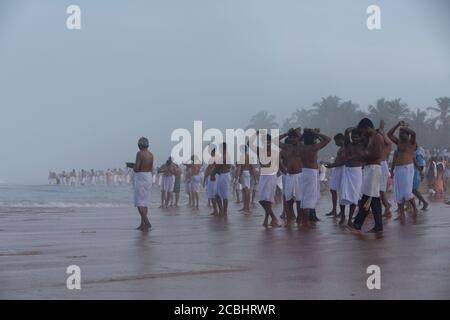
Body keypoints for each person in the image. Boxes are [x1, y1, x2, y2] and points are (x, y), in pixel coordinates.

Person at [351, 118, 384, 233]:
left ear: (367, 128)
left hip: (374, 169)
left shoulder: (377, 137)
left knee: (368, 197)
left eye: (363, 131)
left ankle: (358, 223)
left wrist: (363, 156)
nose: (362, 133)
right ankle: (378, 225)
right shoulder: (371, 138)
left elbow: (377, 154)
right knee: (373, 198)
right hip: (370, 169)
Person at [297, 128, 331, 228]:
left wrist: (305, 134)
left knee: (304, 197)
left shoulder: (301, 147)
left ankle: (304, 221)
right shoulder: (313, 148)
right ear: (313, 139)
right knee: (308, 198)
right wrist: (316, 133)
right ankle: (305, 222)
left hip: (303, 172)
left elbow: (299, 141)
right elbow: (328, 139)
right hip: (311, 173)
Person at [249, 130, 281, 227]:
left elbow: (278, 165)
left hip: (271, 176)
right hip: (263, 176)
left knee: (267, 200)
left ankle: (270, 219)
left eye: (267, 141)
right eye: (263, 141)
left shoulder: (275, 152)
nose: (265, 143)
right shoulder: (260, 151)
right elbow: (249, 143)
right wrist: (256, 134)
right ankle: (272, 218)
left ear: (270, 142)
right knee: (262, 200)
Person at [387, 121, 418, 217]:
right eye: (399, 133)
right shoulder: (398, 142)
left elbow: (413, 133)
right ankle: (401, 214)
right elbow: (389, 134)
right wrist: (397, 125)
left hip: (407, 168)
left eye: (402, 133)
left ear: (407, 134)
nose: (400, 134)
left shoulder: (412, 142)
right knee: (398, 193)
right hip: (398, 169)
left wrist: (404, 127)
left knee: (407, 192)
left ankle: (415, 208)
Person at [338, 128, 364, 226]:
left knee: (354, 196)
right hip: (347, 171)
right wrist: (352, 129)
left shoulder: (362, 145)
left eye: (356, 137)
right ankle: (343, 216)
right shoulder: (348, 144)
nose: (354, 139)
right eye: (353, 137)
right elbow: (346, 133)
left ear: (360, 137)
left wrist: (360, 130)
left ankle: (349, 219)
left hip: (357, 172)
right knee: (343, 194)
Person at [279, 128, 303, 226]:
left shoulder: (301, 147)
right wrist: (286, 133)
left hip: (299, 175)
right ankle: (289, 218)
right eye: (291, 138)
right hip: (289, 176)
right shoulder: (286, 147)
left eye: (294, 138)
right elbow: (275, 141)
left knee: (299, 200)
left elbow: (302, 139)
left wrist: (297, 135)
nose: (292, 140)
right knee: (288, 199)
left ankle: (299, 219)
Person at [133, 137, 154, 232]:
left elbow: (137, 168)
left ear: (140, 145)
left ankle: (147, 222)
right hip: (148, 176)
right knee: (144, 202)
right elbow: (151, 167)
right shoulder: (151, 154)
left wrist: (132, 166)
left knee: (139, 202)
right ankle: (143, 224)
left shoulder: (140, 153)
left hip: (141, 177)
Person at [325, 133, 345, 217]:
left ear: (341, 140)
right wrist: (332, 164)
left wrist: (332, 165)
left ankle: (341, 212)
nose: (335, 143)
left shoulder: (345, 148)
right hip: (337, 169)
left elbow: (343, 162)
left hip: (342, 169)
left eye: (336, 141)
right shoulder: (341, 148)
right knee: (333, 190)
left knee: (341, 191)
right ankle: (334, 210)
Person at [377, 120, 393, 217]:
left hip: (382, 166)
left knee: (381, 190)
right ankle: (387, 205)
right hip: (376, 166)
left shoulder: (387, 145)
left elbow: (387, 141)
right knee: (376, 190)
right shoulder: (378, 145)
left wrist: (381, 130)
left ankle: (387, 210)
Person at [211, 142, 232, 216]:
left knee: (220, 195)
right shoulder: (227, 155)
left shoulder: (224, 156)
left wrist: (212, 174)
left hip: (224, 176)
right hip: (224, 175)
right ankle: (223, 211)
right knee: (220, 194)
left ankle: (223, 211)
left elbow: (217, 167)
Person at [235, 144, 257, 213]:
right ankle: (245, 207)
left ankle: (247, 208)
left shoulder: (242, 156)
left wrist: (238, 176)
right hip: (247, 173)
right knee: (244, 190)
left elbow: (240, 167)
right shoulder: (249, 157)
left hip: (244, 173)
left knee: (246, 190)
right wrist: (255, 177)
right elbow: (252, 167)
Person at [204, 146, 219, 215]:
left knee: (214, 194)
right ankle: (215, 210)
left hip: (213, 177)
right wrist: (205, 178)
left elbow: (211, 168)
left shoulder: (215, 159)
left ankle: (217, 210)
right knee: (212, 195)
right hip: (212, 177)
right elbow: (208, 169)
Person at [413, 145, 428, 210]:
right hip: (414, 172)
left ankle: (424, 202)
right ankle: (410, 206)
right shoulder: (416, 152)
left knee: (413, 189)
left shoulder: (418, 153)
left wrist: (421, 174)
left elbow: (422, 165)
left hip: (416, 173)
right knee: (411, 190)